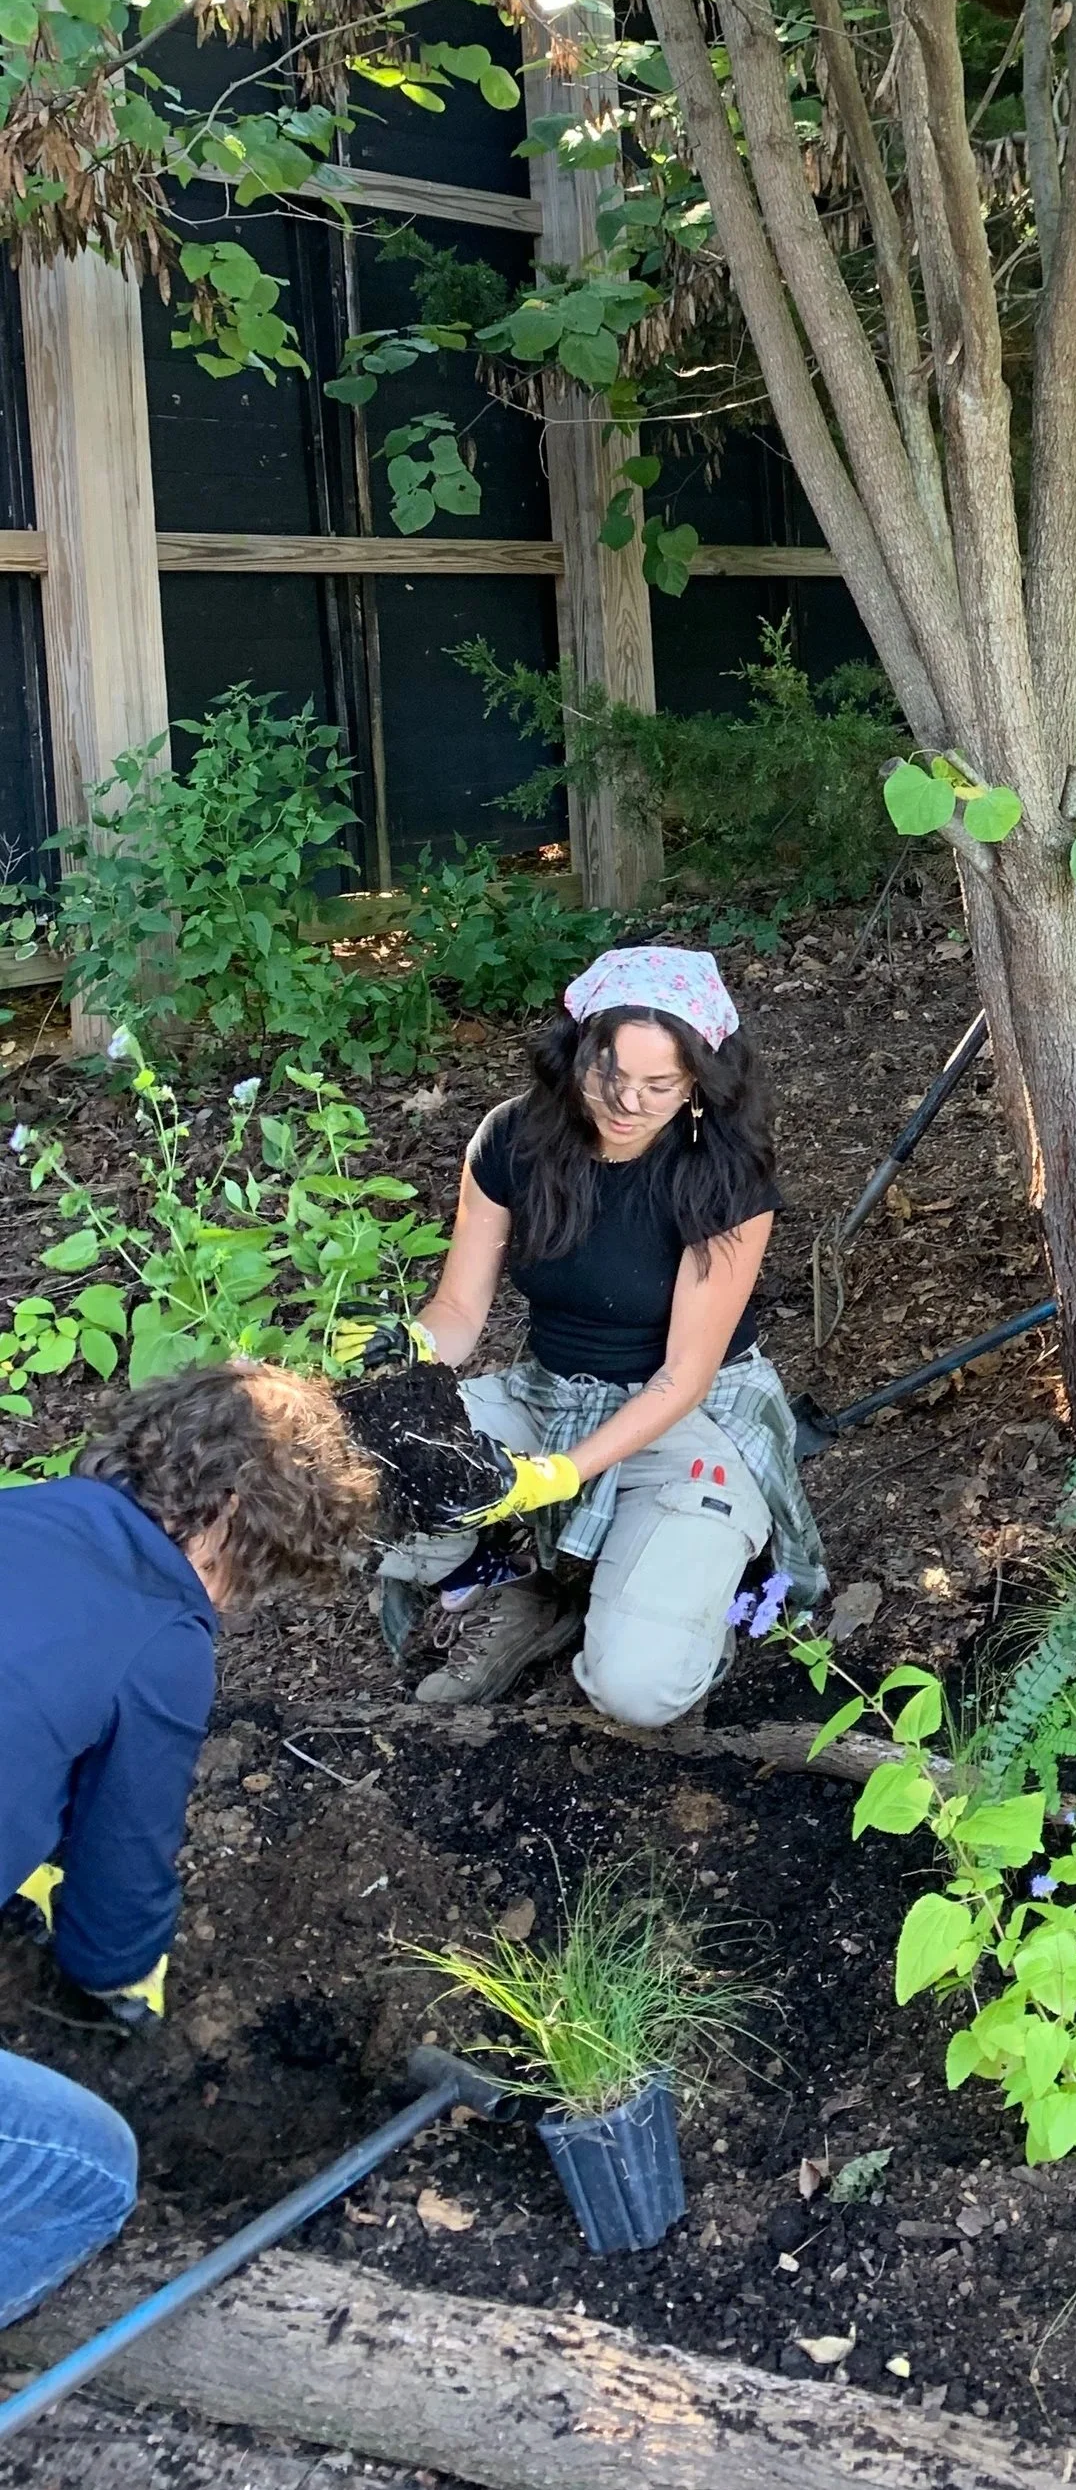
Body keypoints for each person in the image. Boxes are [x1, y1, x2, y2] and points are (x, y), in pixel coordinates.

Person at [0, 1361, 374, 2326]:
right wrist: (116, 1980)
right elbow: (121, 1864)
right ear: (228, 1519)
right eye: (256, 1572)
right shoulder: (160, 1637)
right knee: (86, 2167)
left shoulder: (21, 1514)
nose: (236, 1603)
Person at [373, 945, 822, 1724]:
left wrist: (556, 1475)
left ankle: (693, 1595)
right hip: (546, 1389)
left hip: (687, 1418)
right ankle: (515, 1583)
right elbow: (457, 1315)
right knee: (348, 1460)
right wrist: (405, 1354)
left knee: (636, 1689)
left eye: (659, 1085)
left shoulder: (725, 1173)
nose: (626, 1102)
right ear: (576, 1049)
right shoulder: (510, 1138)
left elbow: (681, 1379)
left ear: (699, 1083)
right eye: (608, 1074)